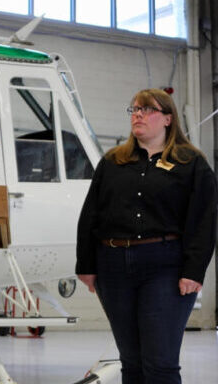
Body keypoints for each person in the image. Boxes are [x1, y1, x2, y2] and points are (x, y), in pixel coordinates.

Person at [76, 88, 217, 384]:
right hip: (113, 267)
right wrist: (85, 265)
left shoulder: (191, 164)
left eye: (147, 109)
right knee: (132, 361)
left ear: (167, 119)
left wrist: (194, 270)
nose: (138, 114)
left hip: (165, 266)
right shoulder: (113, 162)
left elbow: (205, 221)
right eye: (134, 109)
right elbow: (91, 214)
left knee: (160, 362)